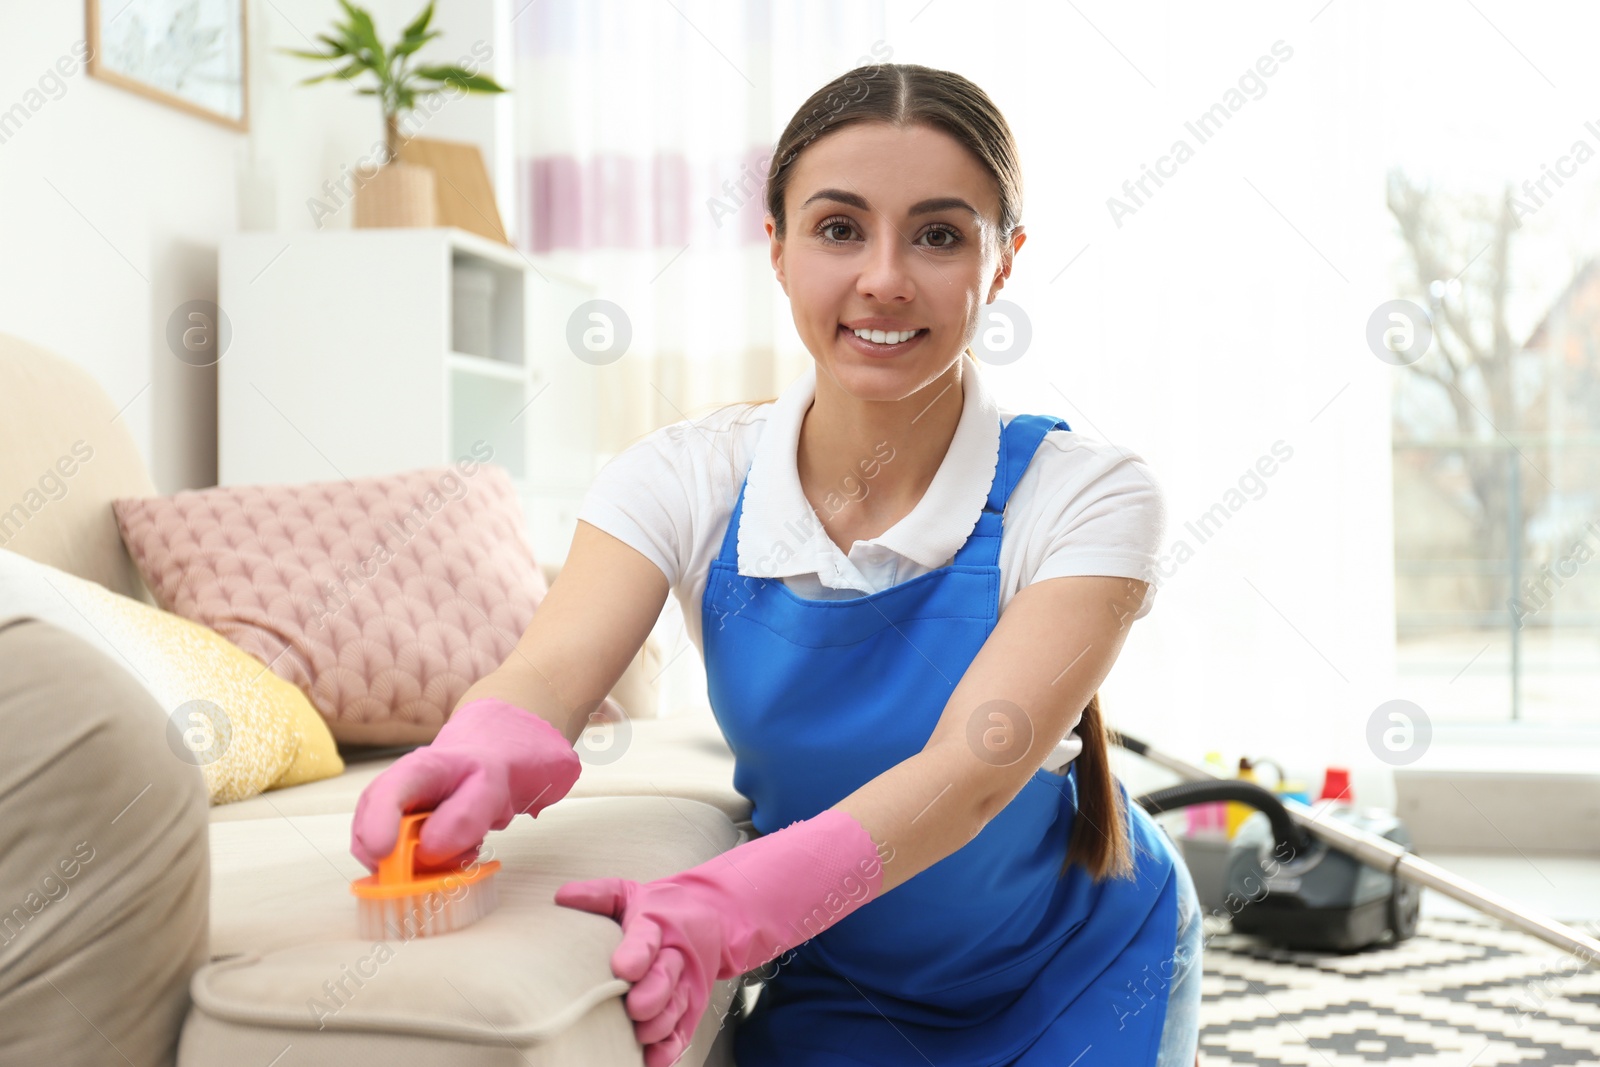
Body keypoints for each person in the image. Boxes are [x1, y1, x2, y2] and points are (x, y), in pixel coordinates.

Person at [350, 62, 1202, 1067]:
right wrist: (482, 748)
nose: (883, 276)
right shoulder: (681, 477)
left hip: (1082, 965)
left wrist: (729, 904)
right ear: (779, 248)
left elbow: (967, 775)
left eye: (938, 234)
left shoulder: (1088, 493)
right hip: (851, 978)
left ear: (1003, 262)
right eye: (839, 228)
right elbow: (548, 670)